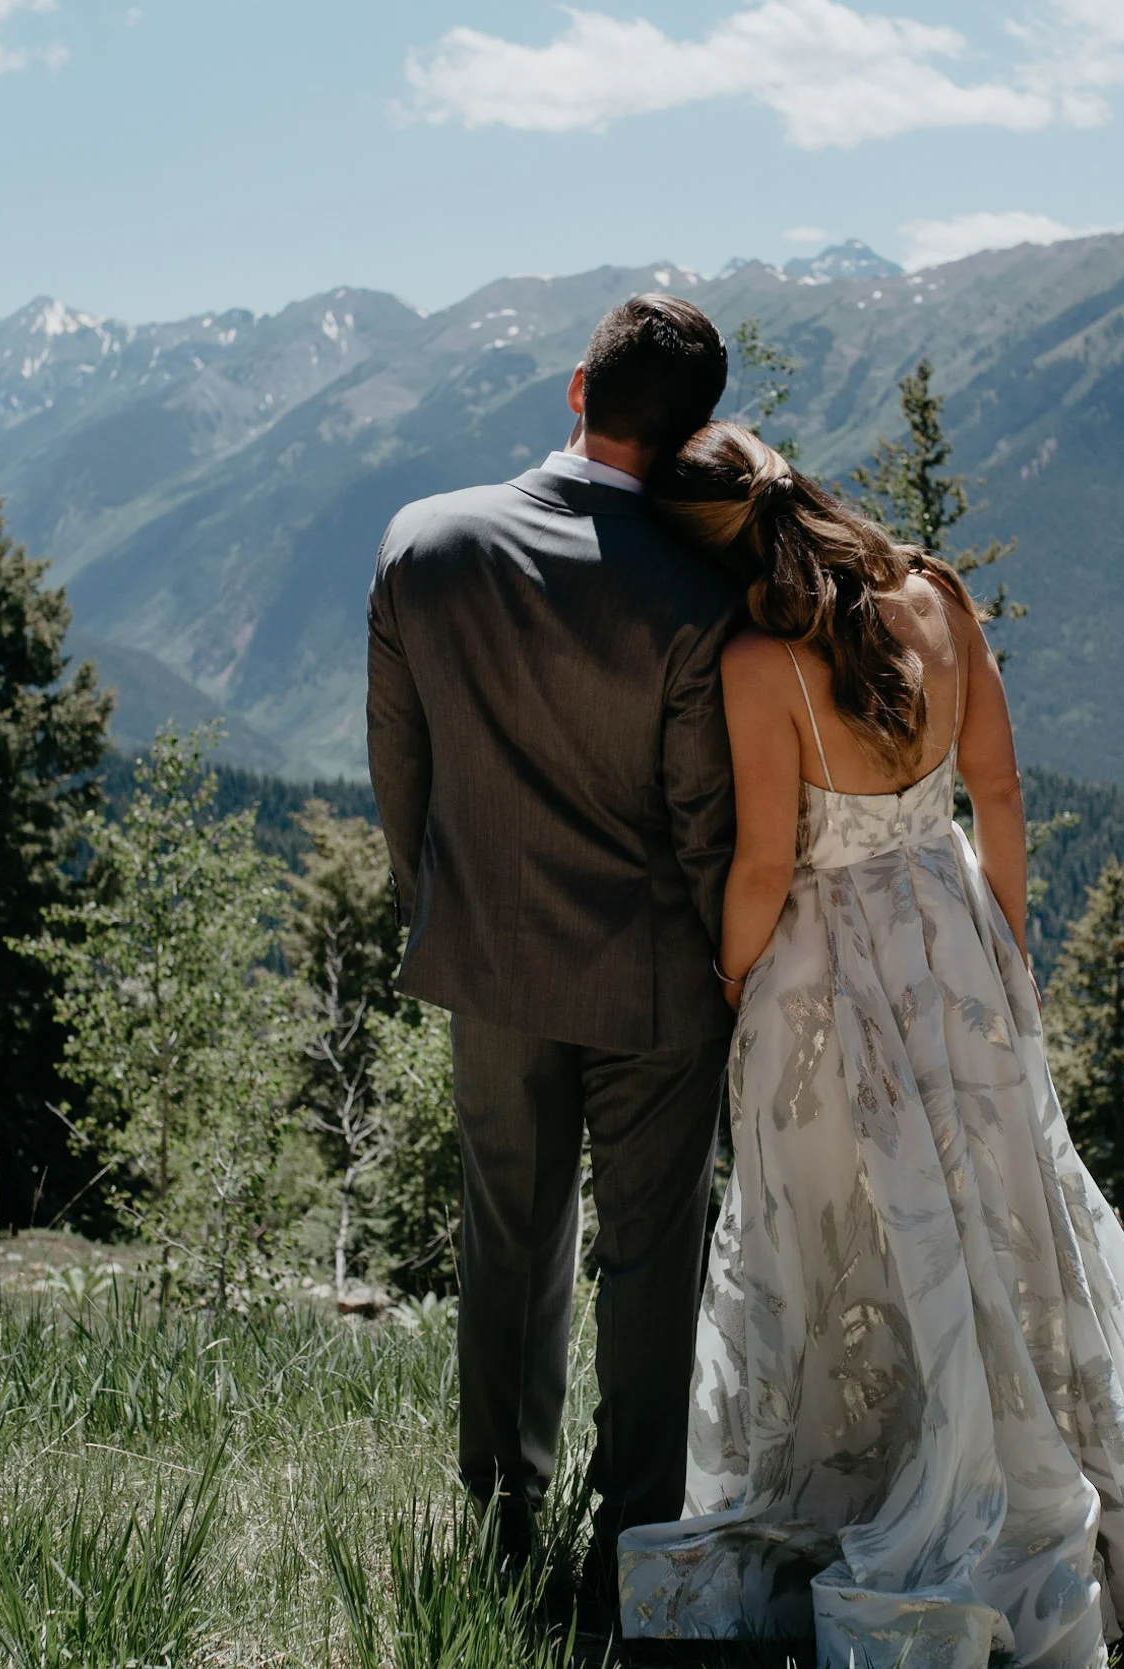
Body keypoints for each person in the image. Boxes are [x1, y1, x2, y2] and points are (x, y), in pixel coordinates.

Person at [618, 422, 1124, 1669]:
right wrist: (1004, 953)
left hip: (831, 964)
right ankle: (1051, 1464)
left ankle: (878, 1467)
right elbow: (1004, 793)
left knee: (849, 1229)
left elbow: (764, 862)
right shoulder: (935, 592)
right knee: (1000, 1208)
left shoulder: (761, 663)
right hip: (953, 928)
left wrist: (732, 977)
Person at [364, 295, 742, 1622]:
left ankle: (500, 1524)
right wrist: (730, 972)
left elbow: (400, 779)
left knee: (507, 1238)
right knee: (654, 1263)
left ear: (578, 388)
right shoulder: (701, 595)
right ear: (692, 430)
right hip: (656, 981)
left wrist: (451, 907)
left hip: (492, 954)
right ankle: (637, 1550)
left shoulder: (425, 544)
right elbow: (707, 826)